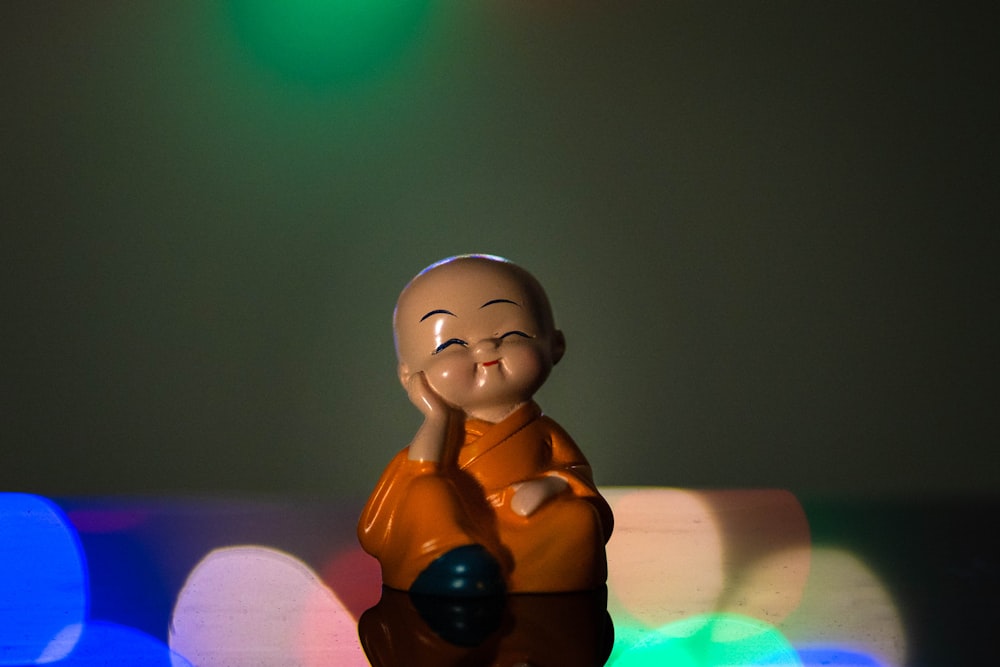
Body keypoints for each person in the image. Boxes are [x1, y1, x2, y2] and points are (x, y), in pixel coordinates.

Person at [358, 254, 613, 596]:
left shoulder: (545, 434)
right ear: (408, 375)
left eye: (512, 333)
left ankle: (514, 576)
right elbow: (423, 470)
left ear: (555, 345)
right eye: (451, 344)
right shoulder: (443, 434)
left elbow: (575, 474)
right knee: (423, 489)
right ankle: (450, 560)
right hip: (457, 528)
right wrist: (437, 417)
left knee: (579, 519)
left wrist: (550, 486)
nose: (484, 347)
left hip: (524, 524)